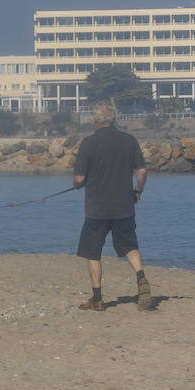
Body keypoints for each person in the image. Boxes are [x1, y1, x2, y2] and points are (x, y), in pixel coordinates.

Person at [71, 102, 150, 311]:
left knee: (93, 252)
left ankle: (97, 299)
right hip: (124, 205)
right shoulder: (129, 141)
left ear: (95, 120)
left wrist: (77, 185)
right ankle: (141, 277)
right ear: (114, 119)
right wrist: (138, 191)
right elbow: (142, 171)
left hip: (97, 208)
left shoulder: (88, 143)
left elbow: (79, 179)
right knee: (130, 246)